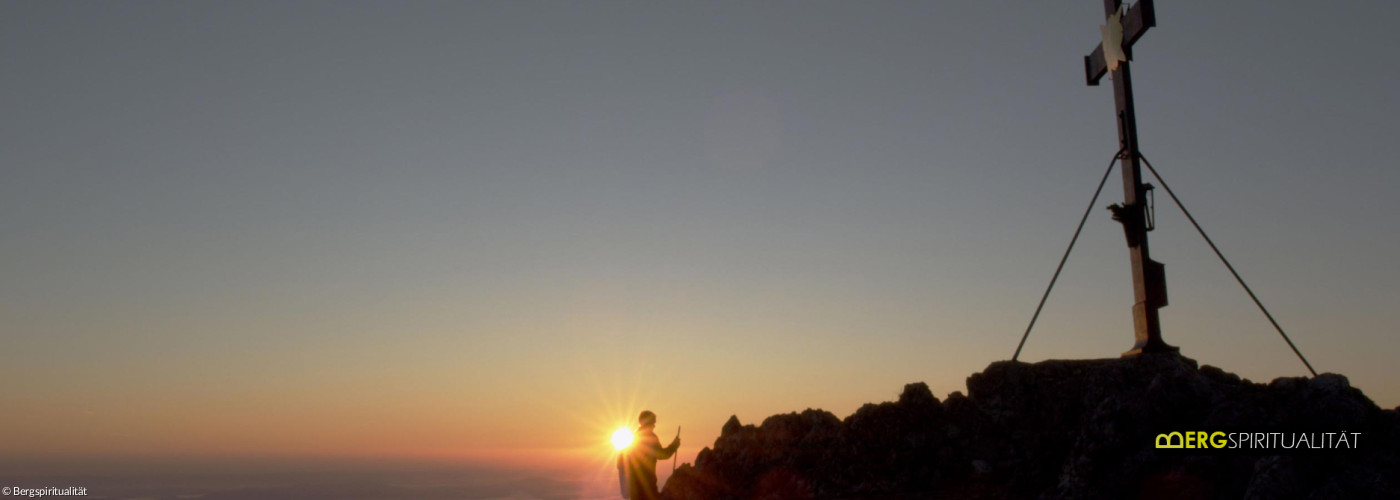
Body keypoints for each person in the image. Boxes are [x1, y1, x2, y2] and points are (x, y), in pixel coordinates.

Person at [620, 410, 679, 500]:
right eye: (653, 422)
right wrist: (674, 445)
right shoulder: (650, 438)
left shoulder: (632, 438)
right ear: (648, 422)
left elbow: (623, 463)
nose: (654, 425)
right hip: (648, 487)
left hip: (634, 489)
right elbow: (663, 455)